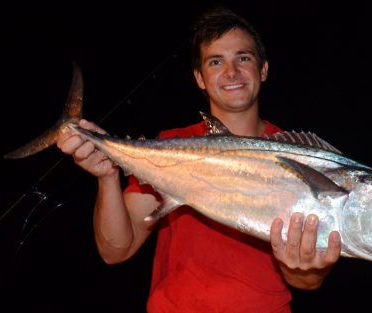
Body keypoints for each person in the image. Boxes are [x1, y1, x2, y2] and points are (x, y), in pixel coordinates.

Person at [57, 7, 342, 313]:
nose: (231, 72)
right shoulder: (168, 148)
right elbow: (116, 250)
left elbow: (306, 283)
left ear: (263, 69)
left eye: (243, 58)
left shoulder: (301, 159)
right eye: (216, 62)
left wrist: (306, 266)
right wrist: (107, 176)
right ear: (200, 78)